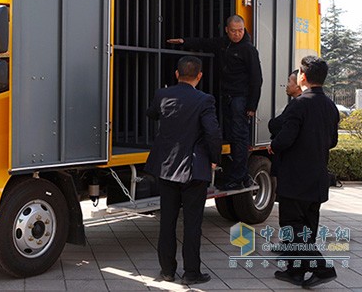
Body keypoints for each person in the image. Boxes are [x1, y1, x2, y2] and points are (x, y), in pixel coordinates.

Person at [145, 56, 222, 285]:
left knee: (167, 221)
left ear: (177, 75)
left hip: (166, 168)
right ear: (199, 76)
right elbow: (213, 133)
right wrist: (214, 159)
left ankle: (167, 271)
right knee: (192, 223)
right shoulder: (205, 100)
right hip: (194, 169)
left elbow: (151, 114)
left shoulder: (162, 95)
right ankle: (191, 273)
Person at [168, 15, 262, 190]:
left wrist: (252, 105)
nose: (237, 34)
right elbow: (205, 42)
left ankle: (239, 177)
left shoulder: (248, 49)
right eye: (233, 31)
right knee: (231, 136)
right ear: (227, 30)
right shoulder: (223, 42)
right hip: (227, 96)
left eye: (240, 30)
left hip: (240, 99)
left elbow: (257, 79)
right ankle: (236, 175)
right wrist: (184, 41)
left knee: (239, 138)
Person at [269, 56, 339, 288]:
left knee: (292, 225)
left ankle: (322, 267)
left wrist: (274, 145)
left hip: (296, 177)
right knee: (307, 228)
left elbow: (285, 138)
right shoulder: (330, 106)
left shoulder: (299, 104)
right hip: (317, 176)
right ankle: (295, 272)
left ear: (304, 77)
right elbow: (333, 141)